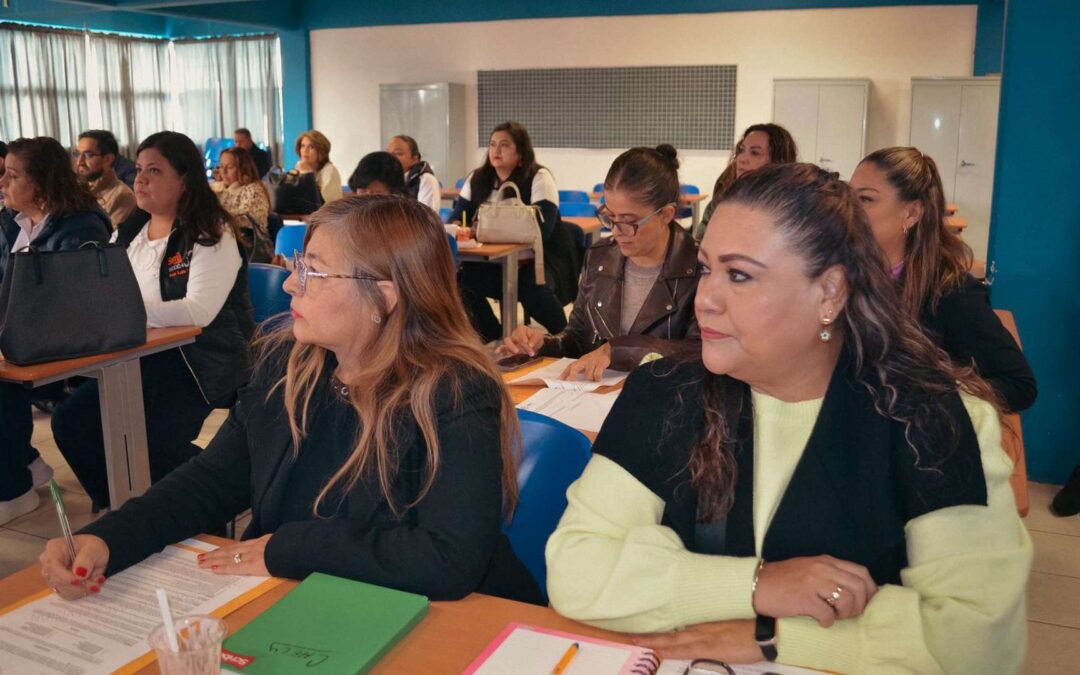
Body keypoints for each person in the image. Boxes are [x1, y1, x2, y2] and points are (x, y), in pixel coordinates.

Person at [545, 163, 1031, 673]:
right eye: (707, 269)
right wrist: (761, 587)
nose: (704, 299)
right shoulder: (663, 392)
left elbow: (978, 644)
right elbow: (576, 570)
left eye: (740, 275)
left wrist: (771, 637)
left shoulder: (933, 422)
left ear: (830, 294)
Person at [39, 194, 541, 605]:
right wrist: (110, 538)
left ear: (384, 297)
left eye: (315, 272)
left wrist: (290, 547)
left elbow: (447, 562)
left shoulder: (454, 390)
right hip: (307, 600)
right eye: (299, 263)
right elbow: (212, 482)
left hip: (432, 620)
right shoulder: (290, 363)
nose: (291, 282)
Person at [51, 131, 255, 511]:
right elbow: (102, 290)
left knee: (151, 440)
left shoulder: (212, 234)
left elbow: (198, 311)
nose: (139, 179)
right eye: (140, 169)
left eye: (155, 170)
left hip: (200, 361)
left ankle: (208, 506)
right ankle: (124, 511)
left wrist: (123, 308)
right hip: (138, 355)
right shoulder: (129, 230)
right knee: (72, 423)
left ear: (185, 181)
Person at [850, 147, 1036, 413]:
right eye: (849, 197)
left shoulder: (951, 293)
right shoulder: (844, 274)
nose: (849, 209)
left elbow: (1020, 386)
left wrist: (932, 393)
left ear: (912, 213)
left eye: (866, 200)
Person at [498, 145, 700, 379]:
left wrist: (616, 350)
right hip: (594, 398)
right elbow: (576, 339)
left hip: (662, 400)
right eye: (610, 216)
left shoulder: (699, 267)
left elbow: (697, 353)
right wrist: (541, 344)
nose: (616, 231)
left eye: (629, 221)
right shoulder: (601, 257)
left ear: (666, 214)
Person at [0, 137, 111, 525]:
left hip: (70, 340)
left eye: (12, 176)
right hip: (21, 334)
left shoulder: (80, 226)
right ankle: (23, 464)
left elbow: (70, 303)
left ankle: (13, 486)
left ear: (41, 182)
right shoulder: (11, 223)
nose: (3, 183)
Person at [450, 121, 578, 342]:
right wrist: (461, 229)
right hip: (492, 261)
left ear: (520, 152)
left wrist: (483, 231)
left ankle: (567, 339)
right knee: (461, 285)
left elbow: (542, 229)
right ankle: (495, 338)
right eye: (492, 145)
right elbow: (456, 218)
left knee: (534, 291)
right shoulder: (478, 178)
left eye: (504, 145)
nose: (496, 151)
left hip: (539, 258)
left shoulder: (539, 177)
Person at [694, 123, 797, 241]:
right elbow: (702, 239)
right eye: (741, 150)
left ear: (777, 161)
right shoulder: (725, 185)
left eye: (755, 153)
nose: (742, 159)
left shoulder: (790, 205)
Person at [215, 146, 272, 261]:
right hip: (224, 248)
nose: (224, 172)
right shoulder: (218, 190)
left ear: (243, 169)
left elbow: (250, 221)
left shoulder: (253, 190)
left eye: (229, 167)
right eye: (221, 167)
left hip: (246, 249)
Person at [72, 130, 137, 229]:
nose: (79, 162)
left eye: (88, 155)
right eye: (77, 154)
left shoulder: (123, 196)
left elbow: (108, 239)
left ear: (108, 159)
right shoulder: (75, 189)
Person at [387, 135, 441, 212]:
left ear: (414, 158)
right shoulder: (386, 179)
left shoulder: (426, 179)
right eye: (388, 153)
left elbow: (427, 217)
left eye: (397, 153)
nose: (390, 158)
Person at [294, 130, 343, 204]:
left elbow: (321, 203)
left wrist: (307, 174)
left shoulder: (330, 170)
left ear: (321, 151)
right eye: (302, 146)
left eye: (311, 147)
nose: (305, 151)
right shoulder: (298, 169)